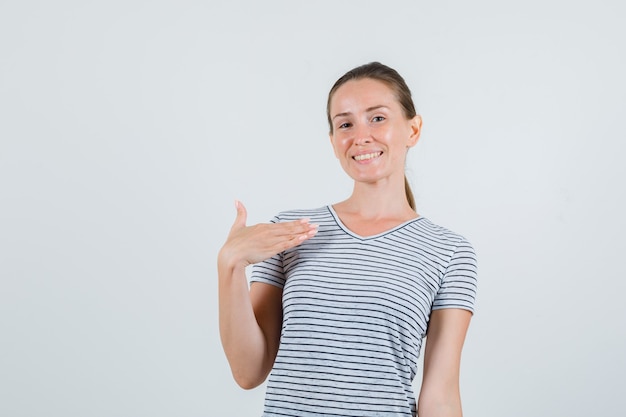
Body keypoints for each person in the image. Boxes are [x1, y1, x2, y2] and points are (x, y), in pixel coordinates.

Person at [218, 62, 478, 417]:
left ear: (413, 129)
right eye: (345, 124)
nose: (361, 136)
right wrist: (229, 265)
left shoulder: (448, 252)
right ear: (333, 142)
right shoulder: (289, 232)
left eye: (378, 118)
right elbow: (248, 372)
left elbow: (440, 397)